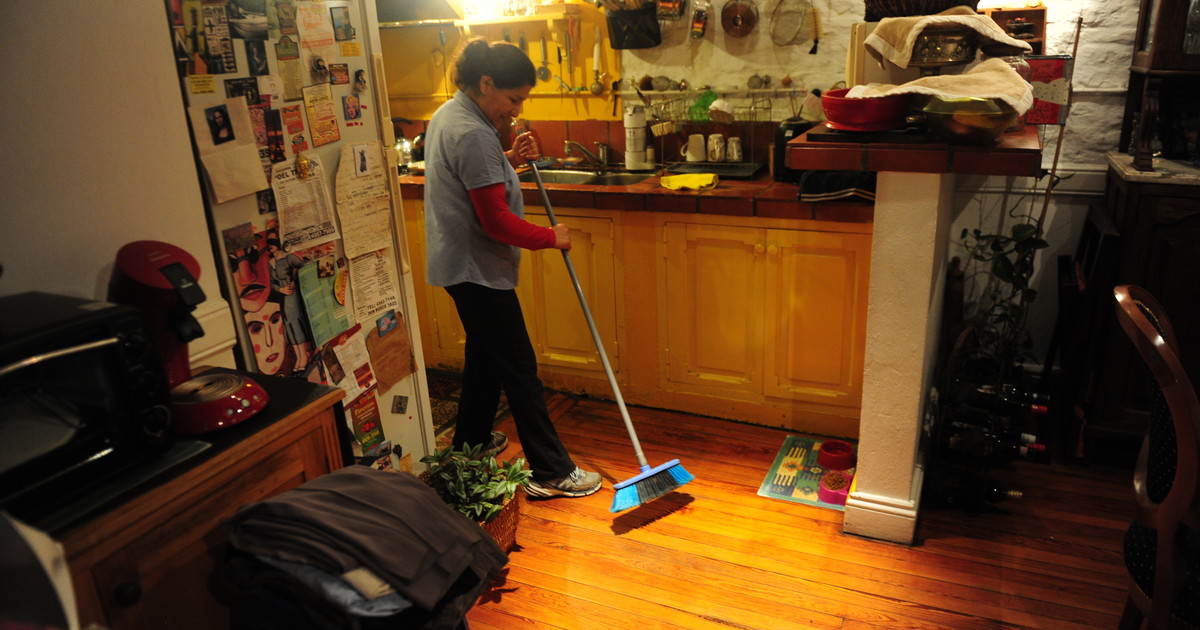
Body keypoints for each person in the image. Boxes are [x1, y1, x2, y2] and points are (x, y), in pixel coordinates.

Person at [423, 37, 601, 499]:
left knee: (485, 357)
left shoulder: (450, 114)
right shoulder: (474, 132)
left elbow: (473, 177)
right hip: (476, 268)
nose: (516, 110)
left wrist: (510, 161)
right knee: (520, 367)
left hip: (459, 264)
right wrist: (550, 237)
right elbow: (496, 221)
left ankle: (470, 445)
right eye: (514, 98)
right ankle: (551, 471)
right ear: (486, 83)